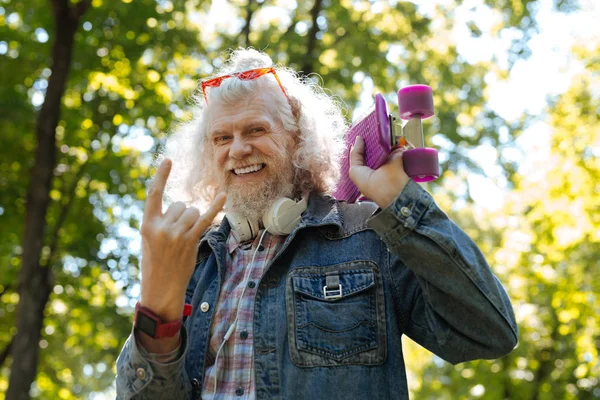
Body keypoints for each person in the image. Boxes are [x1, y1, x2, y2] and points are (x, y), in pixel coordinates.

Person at [116, 48, 518, 400]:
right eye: (222, 138)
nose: (238, 149)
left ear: (298, 138)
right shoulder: (190, 260)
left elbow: (487, 332)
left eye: (256, 129)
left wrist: (401, 205)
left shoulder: (369, 235)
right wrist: (156, 311)